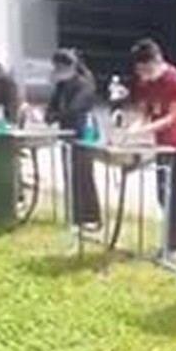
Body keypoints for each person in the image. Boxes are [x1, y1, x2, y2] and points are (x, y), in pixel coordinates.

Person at [128, 38, 176, 263]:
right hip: (161, 145)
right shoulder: (146, 83)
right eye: (139, 71)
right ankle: (166, 242)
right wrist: (134, 128)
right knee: (163, 194)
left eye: (146, 69)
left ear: (157, 61)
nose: (143, 75)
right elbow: (144, 112)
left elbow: (171, 117)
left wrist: (142, 130)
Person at [45, 49, 101, 227]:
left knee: (83, 173)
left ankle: (90, 216)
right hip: (66, 132)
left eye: (59, 68)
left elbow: (74, 108)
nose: (56, 71)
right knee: (69, 173)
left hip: (83, 132)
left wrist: (56, 115)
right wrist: (50, 116)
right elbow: (51, 109)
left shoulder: (85, 84)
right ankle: (75, 215)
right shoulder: (61, 86)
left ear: (70, 67)